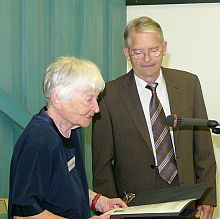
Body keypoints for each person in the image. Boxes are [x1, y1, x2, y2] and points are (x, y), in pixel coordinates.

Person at [92, 16, 217, 219]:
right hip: (133, 205)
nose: (147, 59)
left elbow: (203, 148)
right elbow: (101, 165)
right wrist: (111, 209)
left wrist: (208, 197)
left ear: (164, 47)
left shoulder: (189, 84)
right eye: (138, 52)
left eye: (154, 50)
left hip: (187, 199)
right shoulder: (108, 95)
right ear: (127, 53)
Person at [8, 56, 127, 219]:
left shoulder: (73, 127)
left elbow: (67, 185)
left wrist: (100, 202)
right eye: (89, 99)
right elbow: (24, 215)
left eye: (97, 98)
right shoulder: (39, 139)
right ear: (57, 98)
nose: (97, 108)